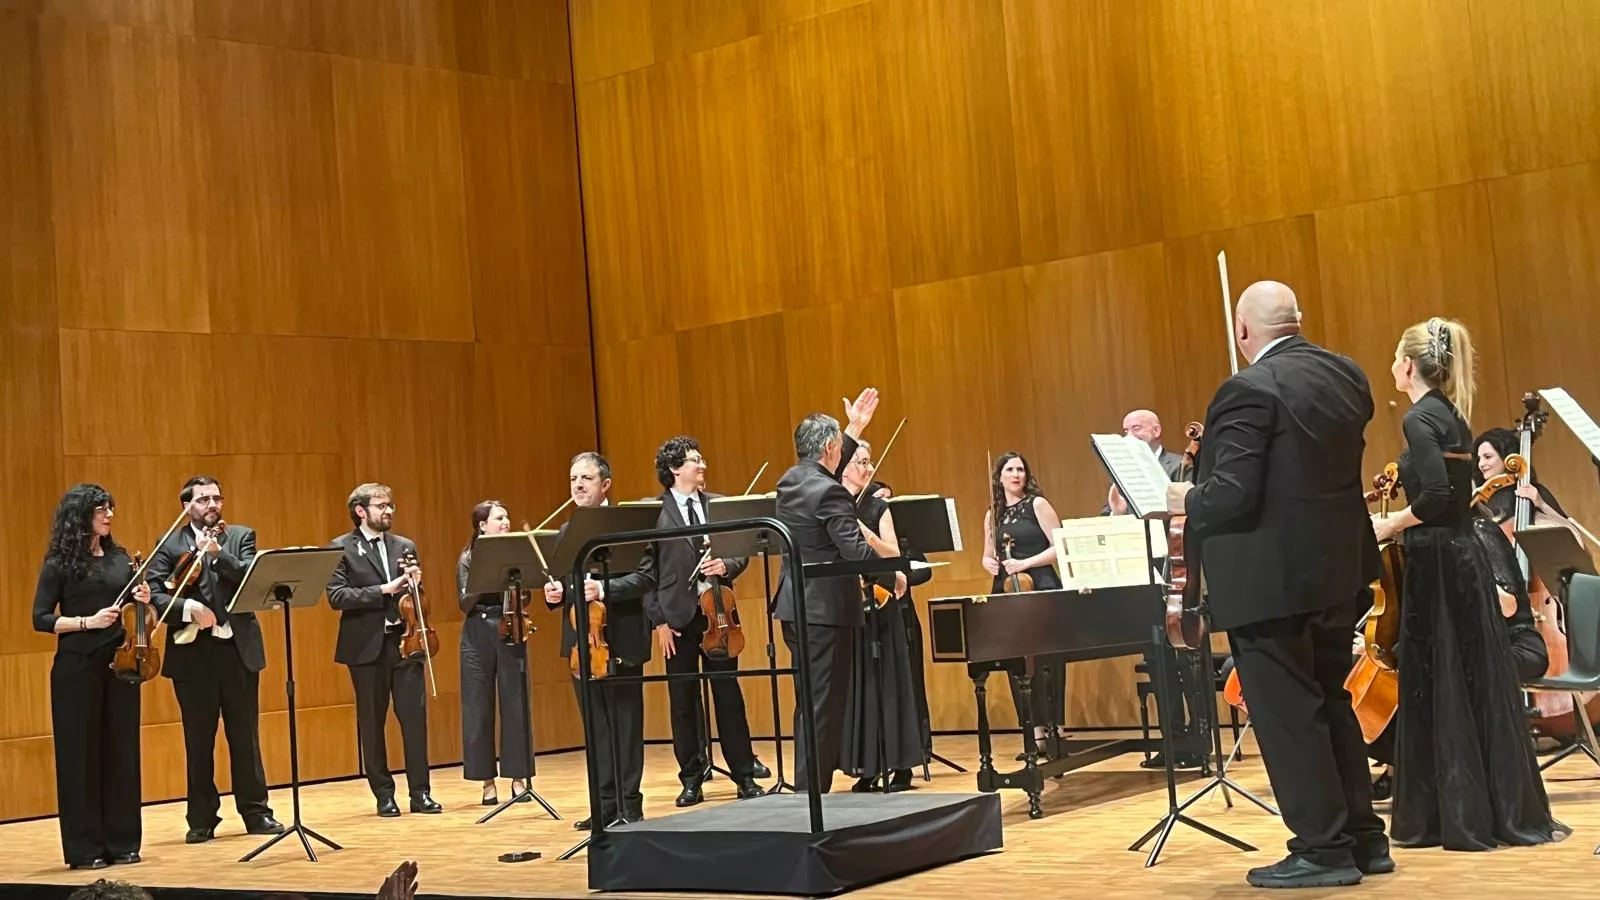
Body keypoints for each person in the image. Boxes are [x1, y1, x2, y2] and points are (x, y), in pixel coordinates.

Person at [1165, 280, 1388, 889]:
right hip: (1337, 573)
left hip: (1270, 585)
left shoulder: (1247, 389)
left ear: (1242, 331)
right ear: (1297, 319)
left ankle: (1323, 849)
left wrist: (1187, 497)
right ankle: (1364, 840)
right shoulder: (1346, 375)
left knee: (1291, 716)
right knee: (1331, 700)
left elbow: (1232, 494)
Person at [1372, 317, 1563, 851]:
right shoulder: (1452, 413)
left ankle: (1448, 816)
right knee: (1467, 679)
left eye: (1395, 358)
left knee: (1441, 680)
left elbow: (1436, 497)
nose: (1392, 366)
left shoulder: (1417, 418)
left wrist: (1390, 524)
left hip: (1437, 560)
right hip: (1460, 558)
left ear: (1408, 365)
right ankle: (1485, 810)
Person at [773, 389, 900, 793]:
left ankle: (808, 790)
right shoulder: (830, 491)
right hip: (826, 613)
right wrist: (894, 575)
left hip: (796, 607)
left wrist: (853, 428)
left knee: (810, 704)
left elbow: (823, 471)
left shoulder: (790, 481)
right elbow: (856, 551)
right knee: (824, 708)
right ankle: (813, 796)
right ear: (829, 448)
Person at [144, 476, 281, 844]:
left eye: (217, 498)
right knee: (198, 740)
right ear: (186, 505)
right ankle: (201, 818)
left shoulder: (240, 536)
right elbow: (155, 593)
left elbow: (252, 577)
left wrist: (219, 554)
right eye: (204, 499)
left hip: (237, 652)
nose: (212, 505)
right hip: (194, 655)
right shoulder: (169, 544)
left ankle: (256, 812)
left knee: (245, 737)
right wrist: (188, 607)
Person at [34, 485, 151, 870]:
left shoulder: (120, 558)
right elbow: (41, 618)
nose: (109, 515)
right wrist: (87, 622)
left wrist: (143, 599)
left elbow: (135, 611)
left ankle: (123, 841)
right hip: (77, 668)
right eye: (101, 509)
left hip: (121, 664)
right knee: (80, 756)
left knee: (122, 752)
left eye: (110, 508)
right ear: (80, 516)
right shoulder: (60, 564)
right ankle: (85, 849)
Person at [642, 437, 764, 807]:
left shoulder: (718, 505)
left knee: (728, 695)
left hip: (719, 613)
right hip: (676, 619)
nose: (702, 465)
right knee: (683, 701)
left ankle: (744, 775)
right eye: (695, 460)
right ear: (674, 468)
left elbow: (741, 550)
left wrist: (727, 565)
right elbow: (646, 572)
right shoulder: (653, 512)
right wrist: (658, 621)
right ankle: (692, 779)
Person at [542, 451, 657, 828]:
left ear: (605, 484)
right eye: (573, 478)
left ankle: (630, 804)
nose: (578, 485)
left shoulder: (627, 526)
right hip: (582, 644)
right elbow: (562, 584)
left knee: (625, 724)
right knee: (596, 728)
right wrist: (555, 594)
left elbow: (645, 578)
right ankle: (604, 806)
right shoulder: (566, 532)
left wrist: (603, 589)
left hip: (621, 636)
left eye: (586, 478)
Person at [326, 483, 440, 817]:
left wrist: (416, 583)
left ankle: (420, 793)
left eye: (390, 505)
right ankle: (384, 795)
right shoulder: (341, 548)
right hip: (366, 648)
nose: (388, 511)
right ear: (360, 511)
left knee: (414, 720)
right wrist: (384, 590)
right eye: (381, 506)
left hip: (406, 643)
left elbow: (415, 598)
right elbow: (337, 596)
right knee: (372, 723)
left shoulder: (404, 545)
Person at [840, 443, 929, 792]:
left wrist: (868, 535)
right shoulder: (833, 506)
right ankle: (868, 766)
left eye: (869, 462)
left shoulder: (878, 507)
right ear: (844, 467)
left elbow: (893, 554)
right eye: (861, 462)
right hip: (849, 606)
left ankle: (902, 765)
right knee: (860, 686)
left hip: (881, 603)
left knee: (891, 683)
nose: (868, 468)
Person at [981, 452, 1066, 759]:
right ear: (1000, 477)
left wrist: (1025, 563)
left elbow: (1060, 546)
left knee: (1047, 660)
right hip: (1007, 589)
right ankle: (1034, 735)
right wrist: (988, 563)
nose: (1016, 474)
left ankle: (1056, 731)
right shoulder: (993, 514)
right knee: (1018, 663)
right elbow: (987, 554)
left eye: (1020, 469)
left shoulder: (1038, 505)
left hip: (1040, 584)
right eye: (1010, 469)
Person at [456, 500, 532, 806]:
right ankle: (486, 781)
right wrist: (485, 574)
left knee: (516, 704)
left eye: (507, 516)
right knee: (478, 707)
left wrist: (518, 587)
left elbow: (527, 596)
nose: (506, 522)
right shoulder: (468, 558)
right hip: (477, 632)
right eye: (499, 518)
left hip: (511, 627)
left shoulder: (516, 554)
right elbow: (464, 602)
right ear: (482, 526)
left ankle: (518, 778)